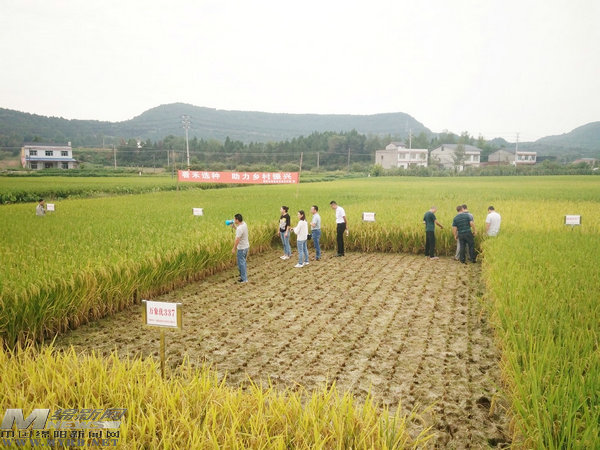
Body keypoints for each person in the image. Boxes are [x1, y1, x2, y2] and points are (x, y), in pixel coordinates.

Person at [231, 213, 249, 282]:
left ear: (237, 220)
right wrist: (234, 227)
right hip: (246, 247)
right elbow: (240, 231)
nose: (234, 220)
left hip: (241, 248)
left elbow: (237, 239)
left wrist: (234, 248)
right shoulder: (244, 224)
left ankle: (244, 279)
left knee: (241, 264)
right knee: (243, 263)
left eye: (234, 219)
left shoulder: (239, 228)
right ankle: (243, 277)